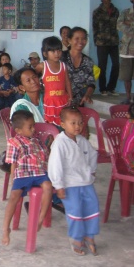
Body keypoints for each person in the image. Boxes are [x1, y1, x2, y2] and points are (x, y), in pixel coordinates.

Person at [48, 107, 99, 256]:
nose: (78, 126)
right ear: (63, 124)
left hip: (86, 183)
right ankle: (76, 239)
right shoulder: (59, 143)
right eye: (73, 123)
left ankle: (89, 235)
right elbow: (55, 165)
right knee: (75, 211)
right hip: (69, 184)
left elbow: (92, 155)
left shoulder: (82, 141)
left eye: (80, 122)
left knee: (92, 209)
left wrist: (92, 171)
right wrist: (58, 185)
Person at [1, 110, 52, 246]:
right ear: (19, 130)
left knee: (48, 187)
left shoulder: (36, 139)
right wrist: (13, 179)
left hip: (39, 172)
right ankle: (6, 228)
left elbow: (45, 155)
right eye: (30, 127)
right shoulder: (14, 142)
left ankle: (40, 219)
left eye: (33, 125)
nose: (34, 129)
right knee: (14, 197)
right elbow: (13, 163)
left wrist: (48, 146)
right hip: (23, 173)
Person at [35, 36, 72, 126]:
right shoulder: (42, 66)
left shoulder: (63, 66)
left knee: (63, 122)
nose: (57, 53)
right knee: (50, 124)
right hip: (49, 101)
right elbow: (32, 76)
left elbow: (67, 82)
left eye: (59, 50)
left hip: (62, 100)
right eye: (53, 51)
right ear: (45, 53)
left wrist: (70, 96)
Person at [92, 0, 120, 96]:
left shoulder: (116, 11)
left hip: (113, 42)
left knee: (116, 65)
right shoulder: (97, 12)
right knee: (102, 66)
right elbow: (95, 27)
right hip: (101, 43)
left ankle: (111, 87)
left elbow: (118, 25)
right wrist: (96, 40)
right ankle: (102, 88)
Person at [61, 27, 96, 106]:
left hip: (78, 103)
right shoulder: (61, 58)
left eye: (83, 39)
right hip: (60, 101)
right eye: (77, 38)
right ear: (69, 40)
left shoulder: (88, 61)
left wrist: (87, 95)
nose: (80, 41)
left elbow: (91, 82)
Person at [117, 0, 134, 104]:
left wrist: (129, 24)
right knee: (126, 76)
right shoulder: (125, 12)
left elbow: (125, 25)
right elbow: (119, 25)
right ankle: (128, 97)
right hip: (127, 50)